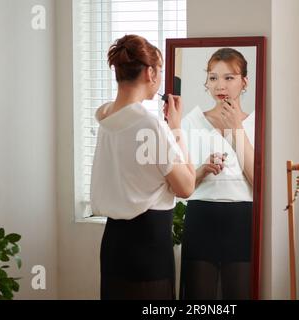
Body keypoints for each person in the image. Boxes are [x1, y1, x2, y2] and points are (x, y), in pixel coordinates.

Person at [90, 34, 195, 300]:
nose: (159, 78)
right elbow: (186, 187)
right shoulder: (148, 124)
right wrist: (176, 128)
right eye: (159, 71)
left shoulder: (106, 118)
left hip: (113, 246)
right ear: (149, 72)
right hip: (148, 249)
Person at [180, 48, 255, 300]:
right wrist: (201, 170)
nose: (219, 85)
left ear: (244, 82)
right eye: (213, 78)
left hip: (241, 218)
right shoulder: (191, 122)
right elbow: (183, 185)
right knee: (197, 299)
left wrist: (236, 131)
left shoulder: (257, 122)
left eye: (229, 77)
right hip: (201, 215)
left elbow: (260, 183)